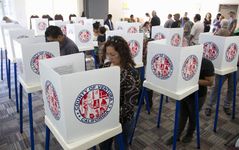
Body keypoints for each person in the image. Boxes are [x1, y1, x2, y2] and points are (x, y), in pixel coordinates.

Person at [99, 36, 141, 150]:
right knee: (104, 146)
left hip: (123, 119)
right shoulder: (106, 66)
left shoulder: (131, 73)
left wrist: (109, 117)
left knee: (121, 146)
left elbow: (129, 105)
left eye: (113, 55)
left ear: (122, 53)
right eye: (108, 54)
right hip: (106, 116)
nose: (110, 58)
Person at [166, 58, 214, 145]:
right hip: (183, 92)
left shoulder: (206, 63)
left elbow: (210, 82)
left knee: (193, 116)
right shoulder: (183, 58)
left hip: (198, 95)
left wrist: (190, 80)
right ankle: (177, 135)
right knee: (182, 115)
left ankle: (189, 134)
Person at [205, 19, 233, 117]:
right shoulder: (228, 32)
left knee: (231, 88)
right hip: (223, 65)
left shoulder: (225, 32)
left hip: (234, 66)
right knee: (217, 87)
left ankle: (226, 105)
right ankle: (210, 106)